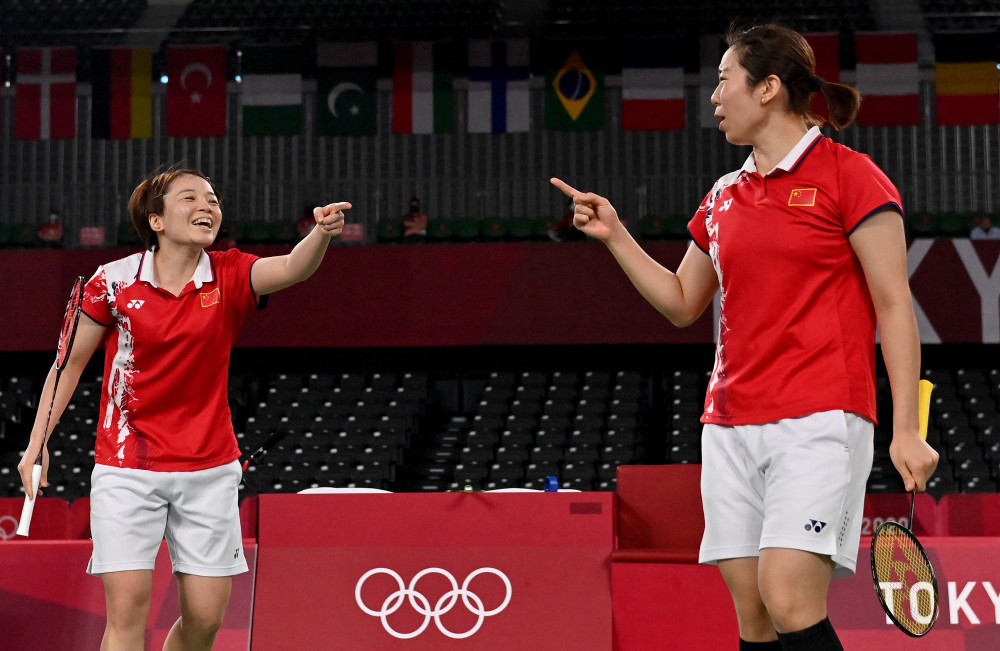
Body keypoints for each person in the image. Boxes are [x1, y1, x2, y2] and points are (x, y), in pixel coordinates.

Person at [552, 23, 938, 651]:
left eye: (724, 79)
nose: (713, 96)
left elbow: (894, 303)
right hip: (729, 423)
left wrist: (906, 429)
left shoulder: (850, 176)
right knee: (754, 616)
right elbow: (682, 303)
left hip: (820, 418)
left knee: (790, 600)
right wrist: (617, 235)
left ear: (768, 89)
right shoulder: (723, 196)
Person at [17, 165, 350, 650]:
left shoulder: (230, 272)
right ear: (156, 220)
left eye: (213, 200)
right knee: (127, 613)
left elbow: (291, 268)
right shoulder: (110, 284)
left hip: (210, 467)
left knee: (205, 619)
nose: (207, 207)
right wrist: (36, 446)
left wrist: (320, 234)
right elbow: (65, 367)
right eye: (190, 198)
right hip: (128, 465)